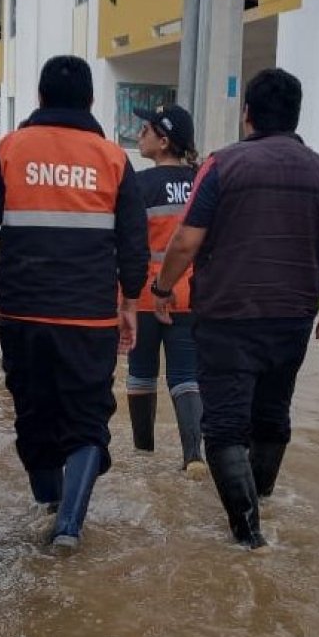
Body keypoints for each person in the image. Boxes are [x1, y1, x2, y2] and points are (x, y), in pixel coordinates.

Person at [0, 55, 148, 550]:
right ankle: (68, 527)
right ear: (90, 101)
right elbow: (133, 243)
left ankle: (49, 508)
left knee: (33, 417)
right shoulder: (114, 159)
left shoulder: (11, 149)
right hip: (90, 317)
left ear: (38, 99)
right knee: (86, 419)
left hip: (22, 314)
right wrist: (131, 303)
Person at [151, 68, 319, 551]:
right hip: (293, 316)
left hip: (227, 315)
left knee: (223, 426)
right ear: (296, 114)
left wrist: (162, 289)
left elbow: (186, 240)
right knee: (272, 414)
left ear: (248, 114)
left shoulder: (223, 166)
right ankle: (262, 500)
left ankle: (250, 537)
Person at [126, 104, 205, 476]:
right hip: (191, 295)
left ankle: (144, 456)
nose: (140, 133)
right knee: (186, 374)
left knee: (141, 373)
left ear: (163, 140)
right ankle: (193, 457)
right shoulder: (203, 180)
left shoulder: (139, 185)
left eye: (147, 129)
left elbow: (125, 247)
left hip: (144, 295)